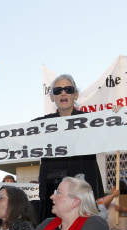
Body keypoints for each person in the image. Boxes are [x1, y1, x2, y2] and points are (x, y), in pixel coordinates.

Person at [31, 75, 104, 222]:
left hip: (83, 191)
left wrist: (117, 115)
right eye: (58, 90)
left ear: (75, 94)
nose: (63, 93)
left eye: (68, 89)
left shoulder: (91, 121)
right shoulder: (41, 124)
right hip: (52, 192)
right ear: (52, 97)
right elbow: (13, 137)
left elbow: (113, 131)